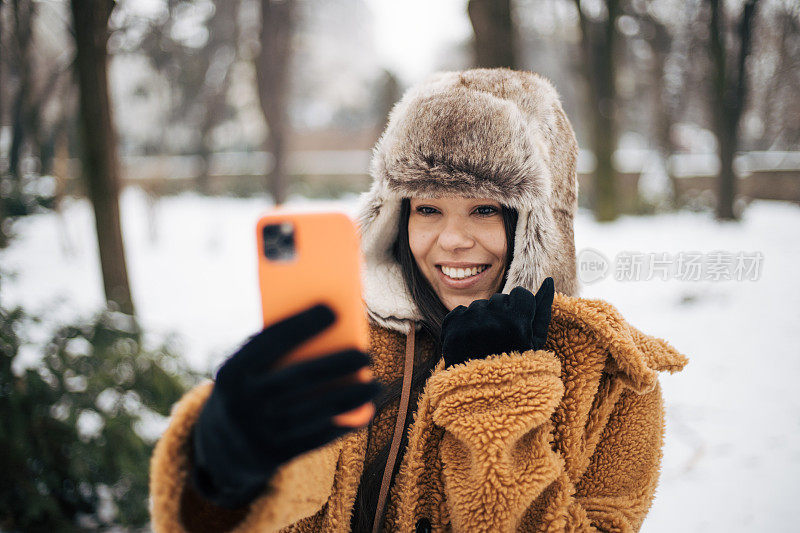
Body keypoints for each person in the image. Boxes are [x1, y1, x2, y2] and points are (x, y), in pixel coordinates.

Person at [150, 68, 688, 533]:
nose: (452, 240)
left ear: (535, 227)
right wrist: (221, 477)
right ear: (395, 214)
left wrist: (495, 398)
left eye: (485, 210)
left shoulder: (610, 377)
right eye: (428, 208)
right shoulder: (344, 342)